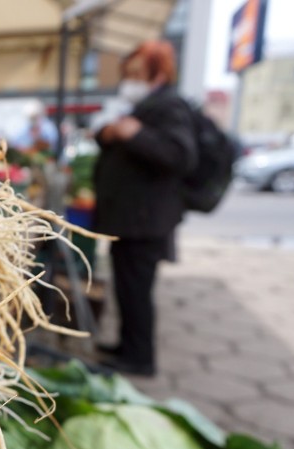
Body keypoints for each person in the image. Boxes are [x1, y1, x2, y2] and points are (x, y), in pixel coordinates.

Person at [92, 40, 197, 377]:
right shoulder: (147, 105)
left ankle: (140, 359)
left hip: (145, 222)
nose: (130, 80)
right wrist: (109, 134)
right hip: (131, 221)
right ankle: (128, 346)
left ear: (157, 70)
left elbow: (181, 156)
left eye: (137, 73)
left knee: (137, 290)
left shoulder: (169, 106)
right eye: (129, 73)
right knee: (127, 288)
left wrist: (136, 134)